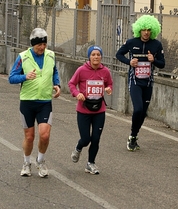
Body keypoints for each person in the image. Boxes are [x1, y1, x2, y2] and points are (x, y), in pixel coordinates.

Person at [8, 28, 61, 178]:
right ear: (33, 44)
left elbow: (54, 71)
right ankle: (26, 163)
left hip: (45, 101)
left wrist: (57, 84)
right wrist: (25, 76)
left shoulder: (51, 55)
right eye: (39, 45)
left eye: (44, 44)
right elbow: (11, 78)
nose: (42, 48)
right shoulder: (23, 57)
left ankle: (41, 161)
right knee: (29, 137)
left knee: (44, 135)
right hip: (27, 102)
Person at [115, 15, 165, 151]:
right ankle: (132, 135)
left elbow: (163, 64)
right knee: (137, 108)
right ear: (139, 30)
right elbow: (118, 55)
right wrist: (129, 62)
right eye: (143, 29)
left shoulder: (156, 44)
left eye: (149, 29)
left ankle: (134, 136)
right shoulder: (132, 42)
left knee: (143, 112)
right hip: (135, 81)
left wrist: (153, 60)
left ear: (153, 30)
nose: (146, 32)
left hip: (148, 83)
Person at [68, 46, 113, 175]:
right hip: (83, 110)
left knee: (96, 138)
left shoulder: (105, 71)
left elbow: (110, 84)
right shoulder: (81, 70)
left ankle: (90, 163)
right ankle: (78, 147)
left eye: (98, 54)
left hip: (99, 110)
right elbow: (71, 84)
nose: (96, 57)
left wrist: (109, 89)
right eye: (93, 54)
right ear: (89, 57)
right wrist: (77, 94)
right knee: (86, 138)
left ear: (101, 57)